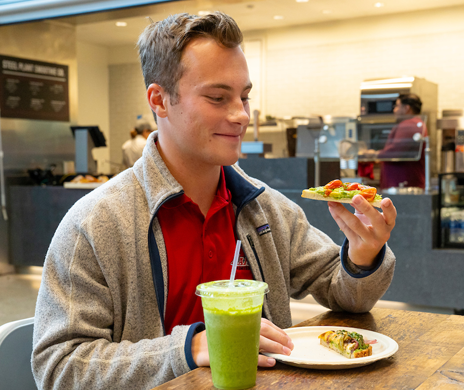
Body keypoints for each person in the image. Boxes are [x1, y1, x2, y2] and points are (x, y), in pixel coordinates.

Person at [32, 12, 397, 390]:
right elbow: (59, 367)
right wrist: (189, 348)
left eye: (245, 96)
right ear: (159, 100)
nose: (241, 115)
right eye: (218, 97)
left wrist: (362, 257)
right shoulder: (95, 224)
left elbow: (346, 293)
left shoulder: (264, 207)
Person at [379, 93, 427, 189]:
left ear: (406, 108)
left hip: (401, 183)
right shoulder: (417, 123)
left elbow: (395, 151)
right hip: (408, 182)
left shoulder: (408, 125)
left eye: (397, 106)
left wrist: (374, 154)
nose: (394, 110)